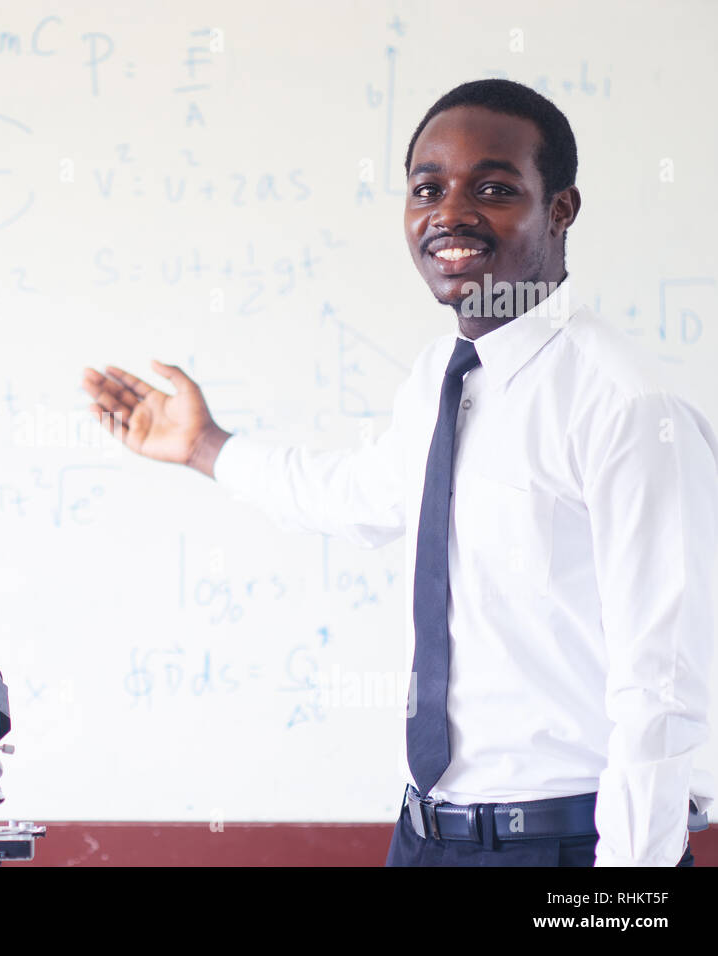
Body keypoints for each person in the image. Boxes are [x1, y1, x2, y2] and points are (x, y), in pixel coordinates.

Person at [80, 79, 716, 867]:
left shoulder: (624, 406)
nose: (450, 213)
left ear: (560, 210)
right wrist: (206, 445)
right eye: (427, 189)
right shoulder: (440, 381)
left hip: (566, 845)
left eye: (493, 188)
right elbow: (360, 498)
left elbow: (665, 693)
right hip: (424, 839)